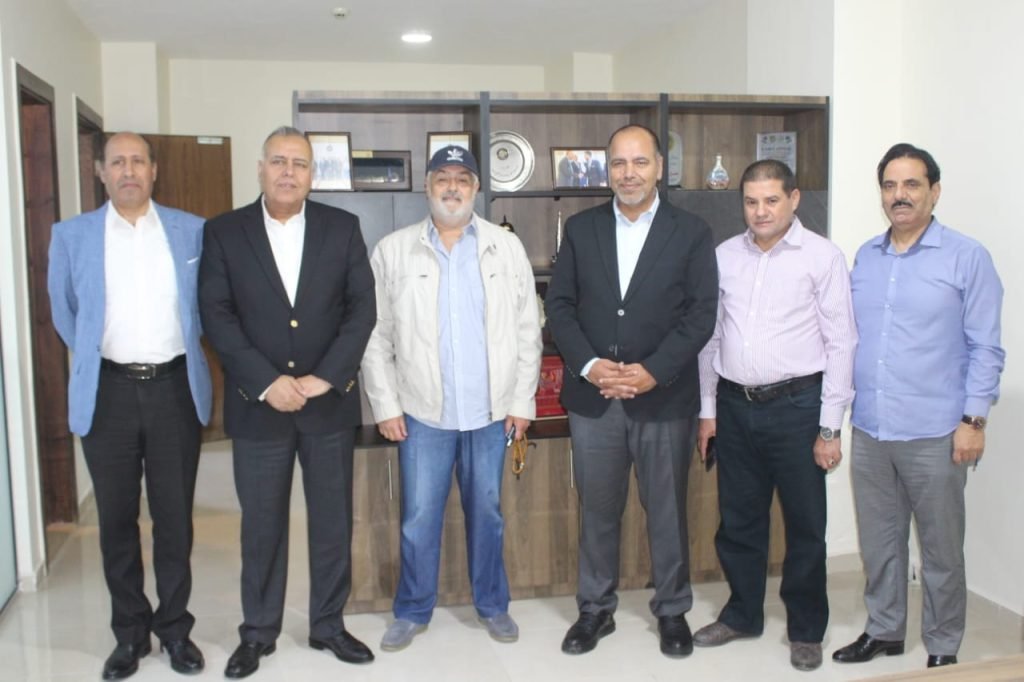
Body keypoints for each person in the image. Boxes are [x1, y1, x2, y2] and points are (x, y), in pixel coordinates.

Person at [199, 126, 377, 679]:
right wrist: (265, 381)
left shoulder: (341, 228)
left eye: (299, 164)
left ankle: (328, 625)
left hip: (328, 407)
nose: (288, 172)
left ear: (311, 175)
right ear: (261, 168)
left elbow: (362, 310)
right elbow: (216, 315)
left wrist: (326, 377)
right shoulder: (224, 232)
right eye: (278, 161)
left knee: (332, 523)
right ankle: (257, 633)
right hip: (258, 407)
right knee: (262, 527)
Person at [545, 124, 718, 658]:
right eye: (619, 163)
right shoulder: (581, 229)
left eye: (640, 162)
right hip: (595, 399)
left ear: (659, 168)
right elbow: (560, 307)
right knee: (598, 510)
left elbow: (701, 314)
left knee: (666, 510)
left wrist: (653, 371)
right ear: (607, 171)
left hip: (663, 397)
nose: (629, 173)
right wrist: (590, 366)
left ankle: (672, 610)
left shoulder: (691, 232)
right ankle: (595, 609)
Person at [361, 145, 542, 651]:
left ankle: (492, 606)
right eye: (443, 177)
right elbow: (375, 336)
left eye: (463, 178)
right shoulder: (393, 250)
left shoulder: (506, 248)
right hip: (423, 414)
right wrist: (386, 405)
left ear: (477, 188)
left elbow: (528, 329)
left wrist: (522, 403)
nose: (453, 187)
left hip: (490, 413)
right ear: (427, 186)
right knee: (418, 518)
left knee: (488, 514)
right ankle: (412, 610)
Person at [832, 143, 1005, 670]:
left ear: (934, 191)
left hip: (937, 431)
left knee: (940, 548)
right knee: (880, 543)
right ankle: (885, 629)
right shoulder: (867, 256)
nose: (899, 195)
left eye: (911, 184)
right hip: (872, 428)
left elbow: (986, 347)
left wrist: (973, 420)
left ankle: (943, 643)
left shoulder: (966, 256)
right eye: (890, 185)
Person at [47, 132, 212, 680]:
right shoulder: (71, 236)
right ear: (100, 171)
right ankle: (130, 634)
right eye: (117, 162)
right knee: (116, 521)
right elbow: (66, 314)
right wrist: (101, 356)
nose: (128, 170)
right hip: (108, 393)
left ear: (154, 170)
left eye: (138, 161)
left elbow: (206, 307)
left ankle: (175, 631)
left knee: (174, 520)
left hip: (173, 390)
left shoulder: (192, 230)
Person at [692, 160, 857, 671]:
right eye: (750, 201)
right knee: (738, 521)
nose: (760, 211)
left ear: (793, 199)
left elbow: (842, 343)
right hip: (735, 407)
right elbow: (710, 338)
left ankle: (806, 629)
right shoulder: (724, 256)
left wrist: (829, 427)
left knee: (805, 526)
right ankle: (743, 614)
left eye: (770, 200)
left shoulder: (823, 257)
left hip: (798, 408)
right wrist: (707, 411)